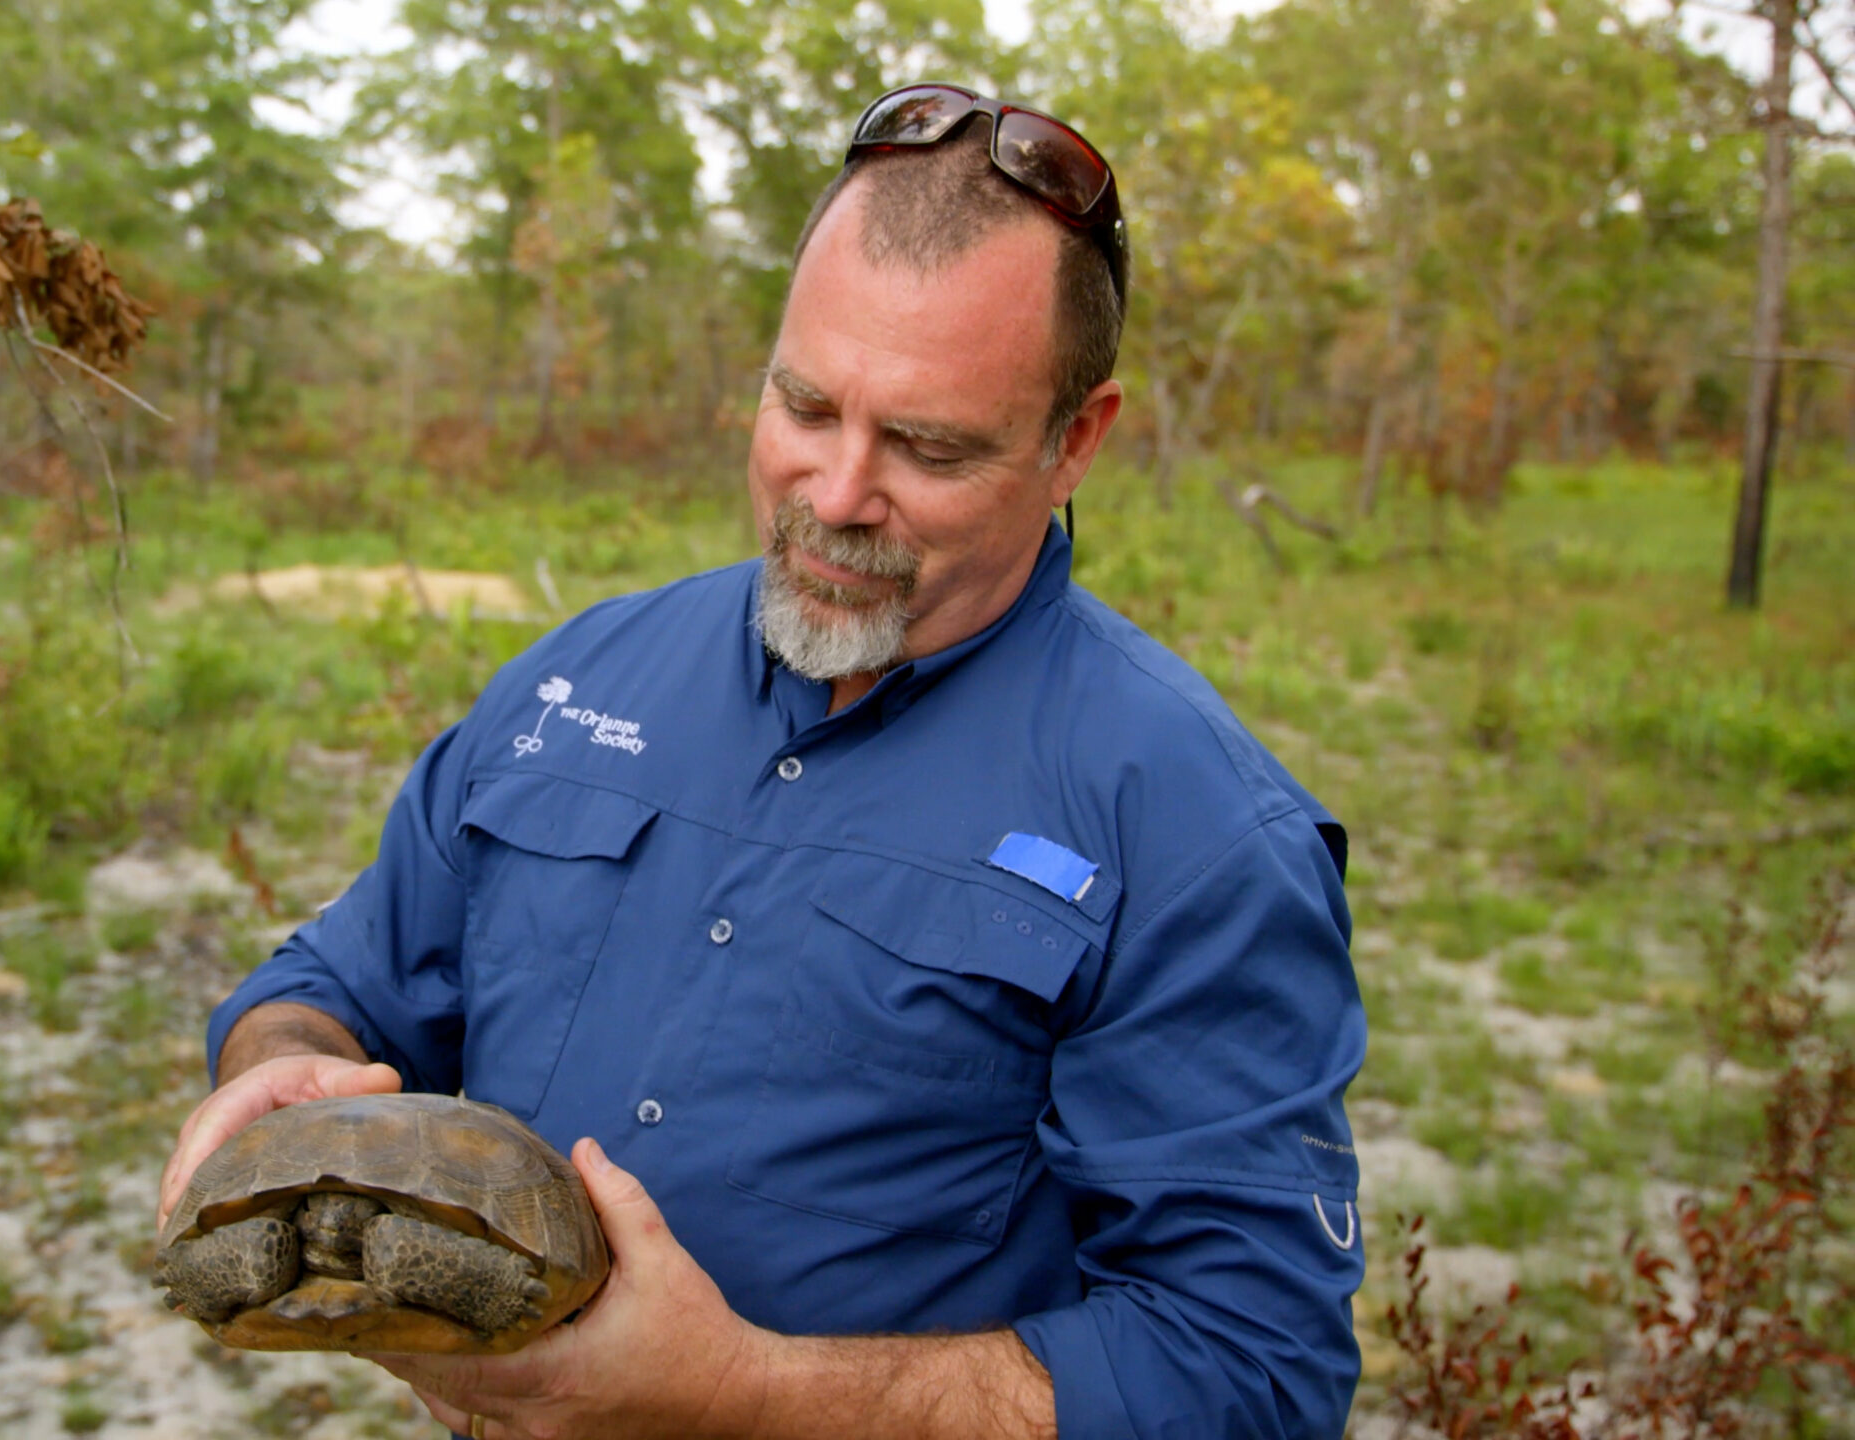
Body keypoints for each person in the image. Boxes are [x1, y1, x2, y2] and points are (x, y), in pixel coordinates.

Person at [159, 83, 1367, 1440]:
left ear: (1075, 442)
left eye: (928, 445)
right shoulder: (578, 681)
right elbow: (337, 985)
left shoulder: (1194, 827)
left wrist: (744, 1395)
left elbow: (1248, 1374)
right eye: (806, 406)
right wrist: (281, 1059)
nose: (837, 494)